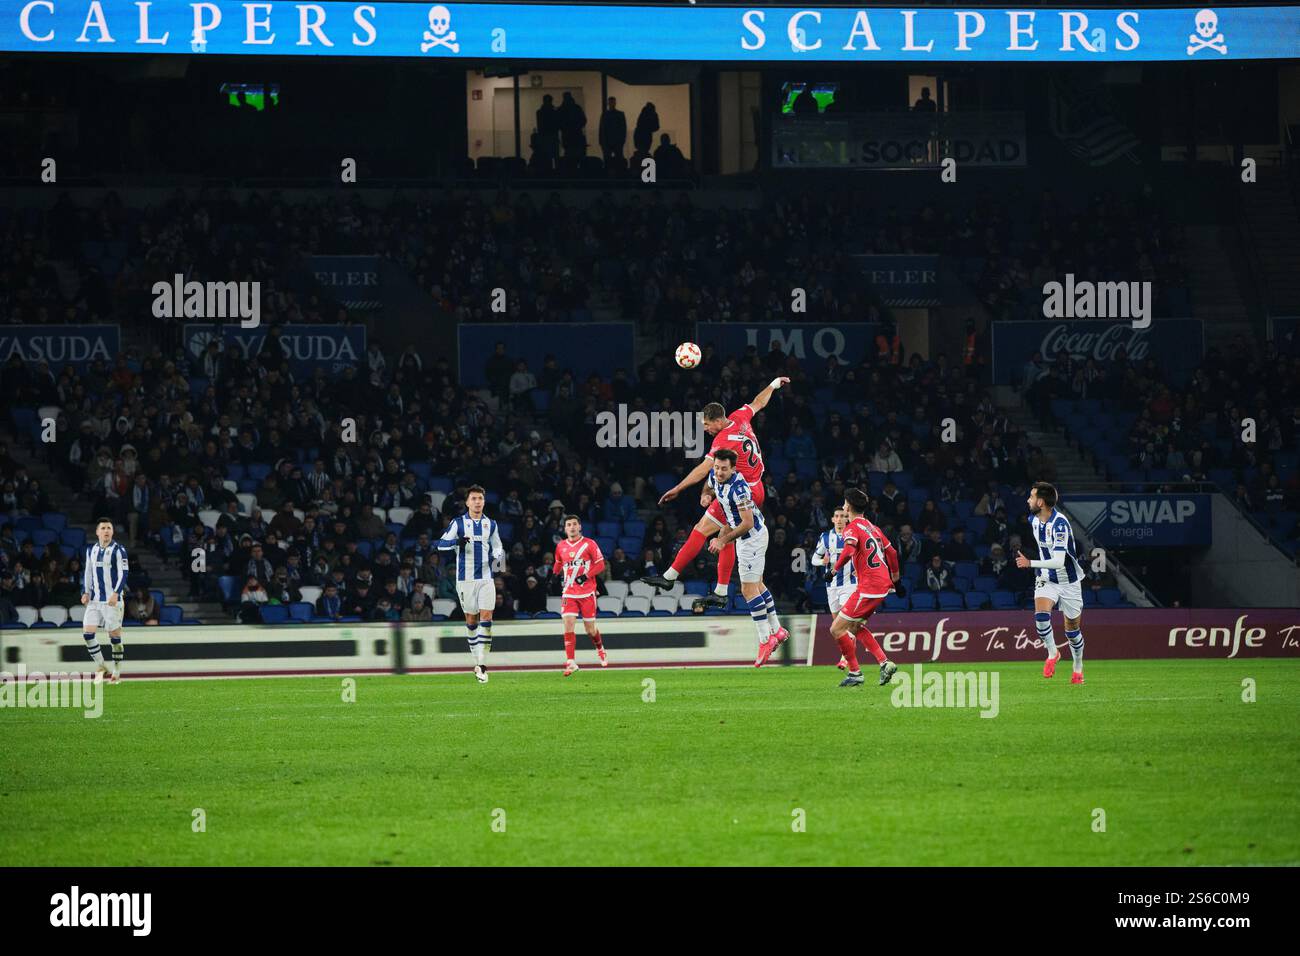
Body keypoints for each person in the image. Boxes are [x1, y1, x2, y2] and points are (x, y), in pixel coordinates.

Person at [643, 377, 789, 610]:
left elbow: (704, 468)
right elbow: (759, 402)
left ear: (719, 421)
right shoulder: (740, 416)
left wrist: (678, 489)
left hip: (742, 492)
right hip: (755, 486)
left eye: (707, 425)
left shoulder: (723, 440)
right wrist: (772, 385)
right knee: (724, 532)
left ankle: (671, 577)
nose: (706, 429)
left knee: (704, 529)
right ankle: (717, 590)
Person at [704, 449, 786, 667]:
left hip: (752, 538)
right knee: (757, 586)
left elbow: (747, 522)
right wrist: (706, 494)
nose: (719, 472)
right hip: (748, 537)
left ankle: (765, 639)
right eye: (717, 467)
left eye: (724, 469)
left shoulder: (740, 489)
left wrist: (723, 540)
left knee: (748, 590)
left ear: (733, 469)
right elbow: (709, 484)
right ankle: (777, 630)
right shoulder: (714, 476)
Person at [826, 488, 901, 688]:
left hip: (869, 587)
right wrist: (896, 580)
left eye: (844, 503)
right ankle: (884, 663)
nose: (843, 506)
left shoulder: (852, 528)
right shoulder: (873, 527)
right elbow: (892, 552)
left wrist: (833, 570)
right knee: (854, 626)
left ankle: (855, 673)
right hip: (882, 585)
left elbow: (849, 550)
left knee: (836, 628)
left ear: (848, 506)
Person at [1014, 481, 1087, 683]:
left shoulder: (1060, 524)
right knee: (1041, 619)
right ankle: (1053, 653)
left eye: (1031, 496)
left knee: (1072, 630)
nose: (1028, 500)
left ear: (1042, 502)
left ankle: (1078, 667)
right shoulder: (1034, 519)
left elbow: (1058, 561)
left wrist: (1030, 563)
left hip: (1069, 581)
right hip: (1046, 577)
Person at [437, 484, 505, 684]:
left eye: (480, 499)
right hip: (465, 579)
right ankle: (476, 660)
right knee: (471, 620)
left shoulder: (491, 524)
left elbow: (498, 546)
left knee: (487, 618)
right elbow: (440, 545)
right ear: (467, 502)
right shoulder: (458, 523)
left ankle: (482, 664)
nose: (477, 502)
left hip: (486, 578)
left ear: (484, 502)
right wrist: (456, 543)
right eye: (473, 499)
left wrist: (498, 557)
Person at [552, 514, 608, 676]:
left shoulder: (589, 544)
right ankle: (571, 662)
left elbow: (601, 564)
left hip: (587, 593)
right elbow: (558, 563)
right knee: (568, 625)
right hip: (569, 593)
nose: (572, 527)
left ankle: (600, 648)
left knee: (590, 630)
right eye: (568, 524)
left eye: (574, 524)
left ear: (580, 526)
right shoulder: (561, 546)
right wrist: (553, 574)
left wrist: (586, 576)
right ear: (565, 528)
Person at [812, 507, 859, 670]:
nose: (839, 519)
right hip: (831, 586)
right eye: (837, 516)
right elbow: (813, 560)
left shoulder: (853, 535)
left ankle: (845, 659)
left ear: (847, 519)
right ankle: (848, 657)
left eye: (843, 516)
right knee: (838, 627)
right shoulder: (826, 538)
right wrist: (822, 562)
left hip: (850, 584)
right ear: (832, 519)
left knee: (845, 624)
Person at [81, 518, 128, 682]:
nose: (106, 531)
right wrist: (85, 592)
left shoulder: (119, 550)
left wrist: (116, 593)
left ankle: (116, 670)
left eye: (109, 528)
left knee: (114, 638)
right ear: (97, 532)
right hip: (94, 601)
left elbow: (123, 573)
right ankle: (101, 665)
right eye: (103, 528)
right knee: (88, 634)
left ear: (113, 532)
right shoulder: (91, 550)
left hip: (111, 601)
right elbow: (87, 573)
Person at [598, 96, 627, 169]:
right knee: (618, 159)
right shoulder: (620, 114)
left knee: (608, 160)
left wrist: (601, 141)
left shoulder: (605, 115)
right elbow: (623, 128)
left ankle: (609, 174)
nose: (612, 104)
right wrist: (622, 140)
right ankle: (619, 174)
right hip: (615, 141)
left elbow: (602, 129)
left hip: (609, 141)